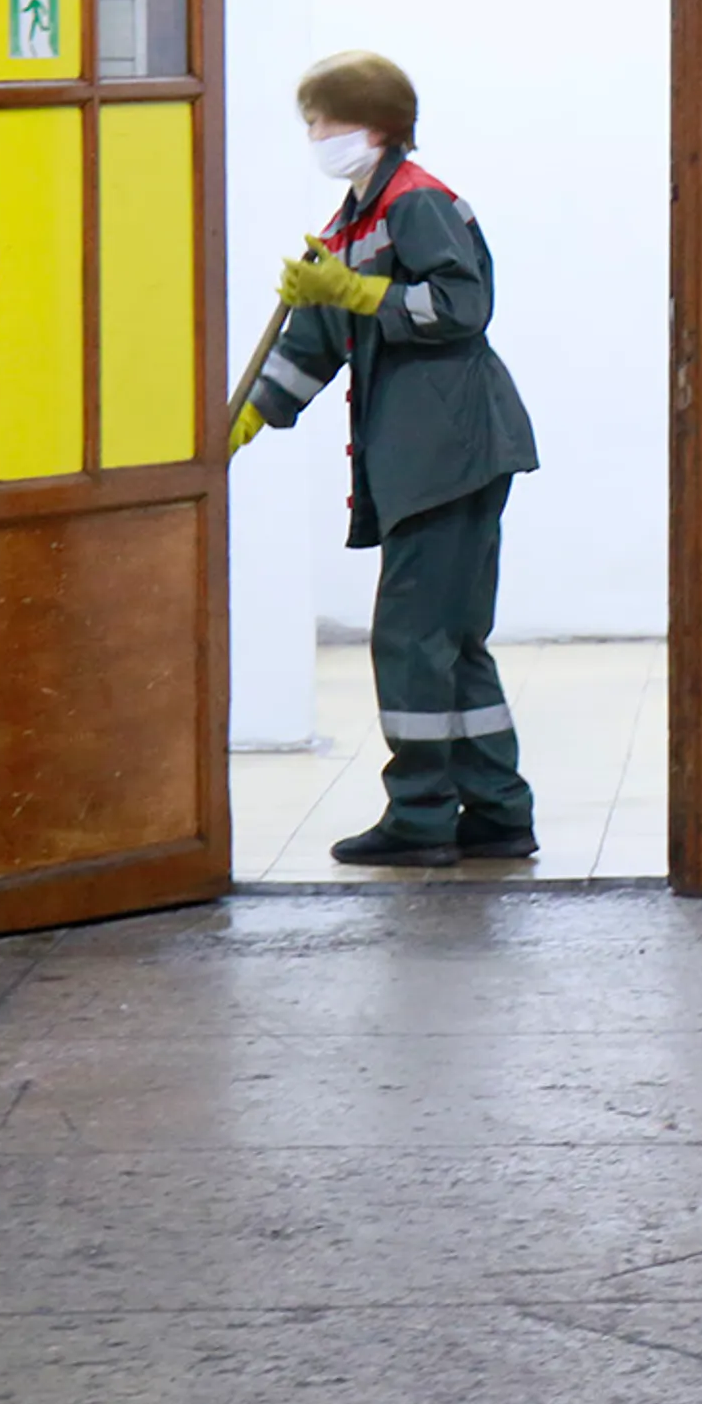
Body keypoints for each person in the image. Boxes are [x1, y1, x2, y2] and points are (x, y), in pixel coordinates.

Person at [231, 51, 544, 868]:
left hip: (451, 453)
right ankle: (499, 810)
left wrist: (356, 293)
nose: (314, 135)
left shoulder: (418, 203)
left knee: (409, 639)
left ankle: (420, 816)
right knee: (449, 638)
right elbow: (321, 336)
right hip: (429, 454)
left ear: (370, 123)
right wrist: (252, 415)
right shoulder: (356, 219)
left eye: (321, 120)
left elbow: (461, 304)